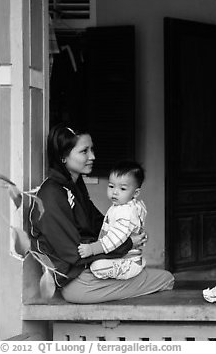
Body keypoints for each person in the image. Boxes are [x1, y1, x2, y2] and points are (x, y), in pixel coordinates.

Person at [30, 125, 175, 303]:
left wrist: (130, 232)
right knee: (166, 279)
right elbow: (74, 254)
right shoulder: (52, 194)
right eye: (84, 151)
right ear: (64, 157)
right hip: (77, 282)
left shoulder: (74, 185)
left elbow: (98, 223)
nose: (93, 156)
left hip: (90, 270)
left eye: (92, 149)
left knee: (155, 276)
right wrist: (128, 244)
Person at [78, 161, 148, 280]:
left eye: (122, 188)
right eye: (111, 186)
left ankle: (127, 269)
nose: (115, 192)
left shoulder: (126, 212)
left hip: (128, 260)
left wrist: (92, 249)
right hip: (119, 255)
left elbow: (114, 239)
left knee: (97, 267)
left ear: (135, 193)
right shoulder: (122, 206)